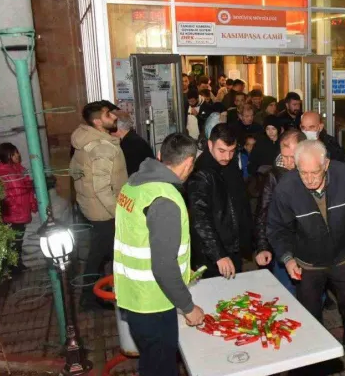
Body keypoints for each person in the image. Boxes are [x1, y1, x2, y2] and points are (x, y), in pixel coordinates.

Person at [267, 140, 345, 367]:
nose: (310, 179)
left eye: (315, 172)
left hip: (343, 257)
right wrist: (287, 258)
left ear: (327, 164)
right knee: (309, 314)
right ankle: (315, 355)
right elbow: (276, 228)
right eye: (303, 173)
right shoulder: (286, 187)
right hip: (308, 263)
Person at [114, 133, 204, 376]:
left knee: (151, 365)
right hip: (152, 304)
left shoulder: (135, 183)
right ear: (188, 163)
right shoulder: (165, 199)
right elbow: (163, 266)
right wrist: (188, 307)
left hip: (132, 296)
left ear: (161, 156)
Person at [70, 101, 128, 310]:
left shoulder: (85, 139)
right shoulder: (102, 148)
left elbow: (74, 171)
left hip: (93, 208)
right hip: (104, 212)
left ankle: (105, 293)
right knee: (100, 255)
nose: (113, 116)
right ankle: (90, 298)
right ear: (97, 122)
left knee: (105, 254)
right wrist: (119, 212)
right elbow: (102, 188)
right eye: (107, 114)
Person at [187, 124, 251, 278]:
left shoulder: (231, 164)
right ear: (210, 144)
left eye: (231, 151)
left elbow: (240, 202)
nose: (227, 157)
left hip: (232, 246)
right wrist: (219, 254)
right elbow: (200, 218)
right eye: (221, 151)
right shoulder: (201, 172)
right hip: (212, 254)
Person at [254, 129, 306, 295]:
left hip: (311, 248)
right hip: (285, 245)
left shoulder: (315, 172)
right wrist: (262, 246)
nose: (289, 162)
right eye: (285, 156)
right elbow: (263, 212)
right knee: (286, 296)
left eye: (293, 157)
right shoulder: (274, 176)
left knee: (312, 298)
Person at [0, 143, 38, 273]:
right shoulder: (1, 173)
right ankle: (14, 267)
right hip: (13, 214)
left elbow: (27, 188)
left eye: (17, 152)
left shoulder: (18, 168)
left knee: (18, 240)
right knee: (14, 241)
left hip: (21, 211)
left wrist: (32, 204)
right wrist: (15, 208)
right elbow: (4, 196)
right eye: (14, 153)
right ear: (7, 156)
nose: (18, 155)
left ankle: (16, 265)